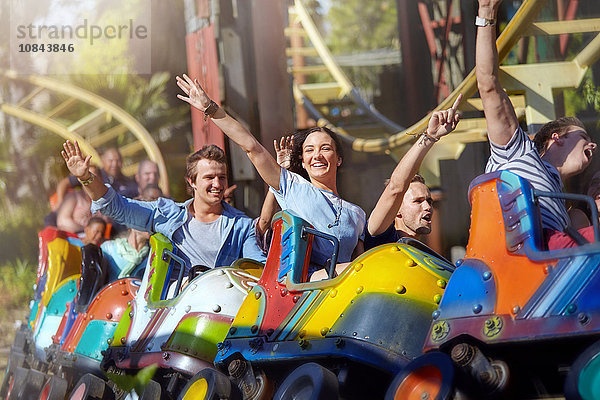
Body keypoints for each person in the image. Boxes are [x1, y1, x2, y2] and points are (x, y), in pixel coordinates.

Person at [177, 75, 365, 278]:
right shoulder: (293, 186)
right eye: (309, 150)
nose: (317, 155)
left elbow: (362, 263)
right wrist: (211, 109)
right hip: (307, 288)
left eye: (325, 148)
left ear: (338, 159)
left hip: (346, 290)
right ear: (302, 161)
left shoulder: (357, 214)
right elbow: (251, 147)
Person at [476, 0, 596, 249]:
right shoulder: (520, 153)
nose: (593, 144)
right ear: (557, 137)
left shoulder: (563, 207)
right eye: (583, 137)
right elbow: (488, 85)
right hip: (519, 260)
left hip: (547, 270)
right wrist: (486, 12)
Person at [61, 141, 266, 272]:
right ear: (192, 182)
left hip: (220, 316)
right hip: (175, 317)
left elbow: (258, 269)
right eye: (209, 177)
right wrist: (86, 178)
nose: (217, 184)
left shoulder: (241, 226)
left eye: (222, 177)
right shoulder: (167, 214)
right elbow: (116, 206)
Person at [364, 95, 462, 250]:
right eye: (417, 201)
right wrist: (430, 137)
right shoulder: (380, 236)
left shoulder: (424, 254)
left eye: (429, 201)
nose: (428, 207)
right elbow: (396, 188)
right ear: (396, 211)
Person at [56, 147, 138, 206]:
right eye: (111, 161)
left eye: (118, 161)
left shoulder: (127, 181)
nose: (115, 164)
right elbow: (64, 183)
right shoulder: (93, 173)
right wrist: (60, 203)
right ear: (103, 161)